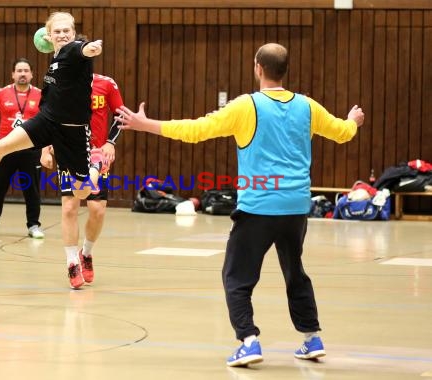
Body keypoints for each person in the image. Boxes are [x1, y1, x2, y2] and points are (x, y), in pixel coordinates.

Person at [115, 43, 365, 367]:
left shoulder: (246, 106)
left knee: (236, 277)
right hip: (295, 208)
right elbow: (343, 133)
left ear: (258, 67)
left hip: (258, 208)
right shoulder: (307, 106)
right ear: (284, 69)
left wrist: (146, 124)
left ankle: (249, 341)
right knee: (295, 272)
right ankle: (311, 337)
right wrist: (353, 120)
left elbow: (196, 130)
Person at [0, 11, 105, 204]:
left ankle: (96, 164)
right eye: (57, 31)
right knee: (2, 146)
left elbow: (83, 49)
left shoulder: (74, 50)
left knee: (81, 192)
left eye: (67, 31)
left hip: (73, 130)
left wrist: (92, 48)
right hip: (46, 121)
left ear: (73, 34)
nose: (62, 35)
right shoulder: (56, 57)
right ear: (49, 35)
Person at [41, 73, 124, 289]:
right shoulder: (59, 81)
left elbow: (120, 115)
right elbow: (46, 117)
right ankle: (72, 263)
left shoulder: (106, 84)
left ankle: (86, 253)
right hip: (68, 152)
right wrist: (45, 148)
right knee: (70, 207)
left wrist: (110, 143)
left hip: (97, 155)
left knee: (97, 209)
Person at [0, 58, 44, 239]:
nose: (22, 74)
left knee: (32, 189)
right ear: (13, 74)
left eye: (26, 70)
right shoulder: (3, 94)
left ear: (31, 74)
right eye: (19, 70)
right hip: (4, 149)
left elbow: (48, 122)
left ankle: (34, 226)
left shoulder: (40, 94)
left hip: (31, 149)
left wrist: (47, 146)